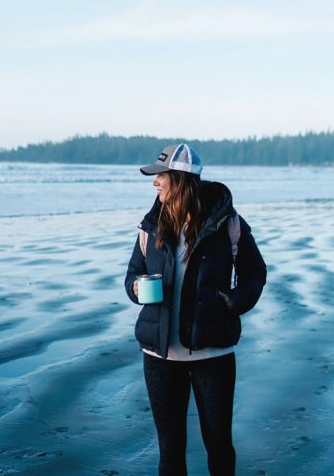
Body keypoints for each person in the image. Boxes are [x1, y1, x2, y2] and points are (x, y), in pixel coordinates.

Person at [124, 143, 267, 476]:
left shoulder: (228, 224)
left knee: (218, 445)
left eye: (160, 176)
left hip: (213, 355)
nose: (155, 182)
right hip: (159, 357)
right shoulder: (150, 225)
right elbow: (132, 272)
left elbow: (255, 273)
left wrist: (233, 302)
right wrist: (135, 287)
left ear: (181, 179)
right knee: (170, 450)